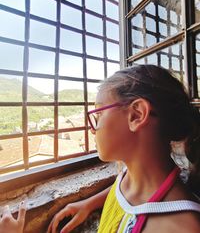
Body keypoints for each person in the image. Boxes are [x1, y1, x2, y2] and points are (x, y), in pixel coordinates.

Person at [1, 64, 200, 233]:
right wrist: (90, 203)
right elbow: (121, 190)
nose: (93, 128)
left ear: (136, 115)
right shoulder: (130, 174)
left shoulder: (180, 226)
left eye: (98, 115)